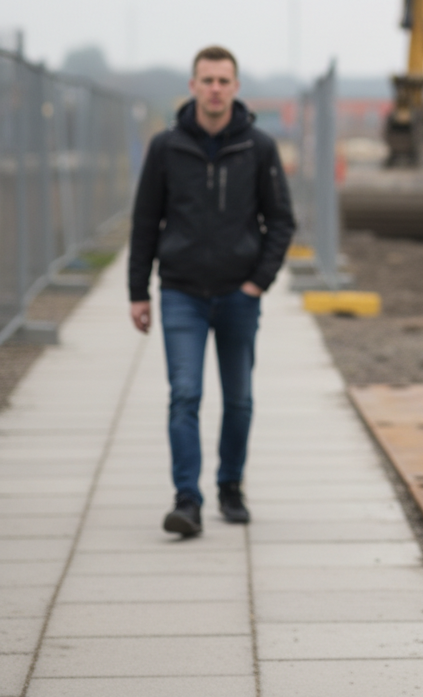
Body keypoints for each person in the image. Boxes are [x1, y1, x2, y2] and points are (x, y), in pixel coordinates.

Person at [128, 46, 295, 536]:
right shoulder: (166, 146)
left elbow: (281, 220)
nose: (215, 89)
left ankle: (230, 487)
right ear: (193, 85)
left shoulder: (259, 148)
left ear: (236, 87)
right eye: (207, 80)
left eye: (224, 80)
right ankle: (187, 501)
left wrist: (256, 283)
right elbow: (144, 223)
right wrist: (138, 292)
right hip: (181, 292)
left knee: (239, 399)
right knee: (185, 394)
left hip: (238, 296)